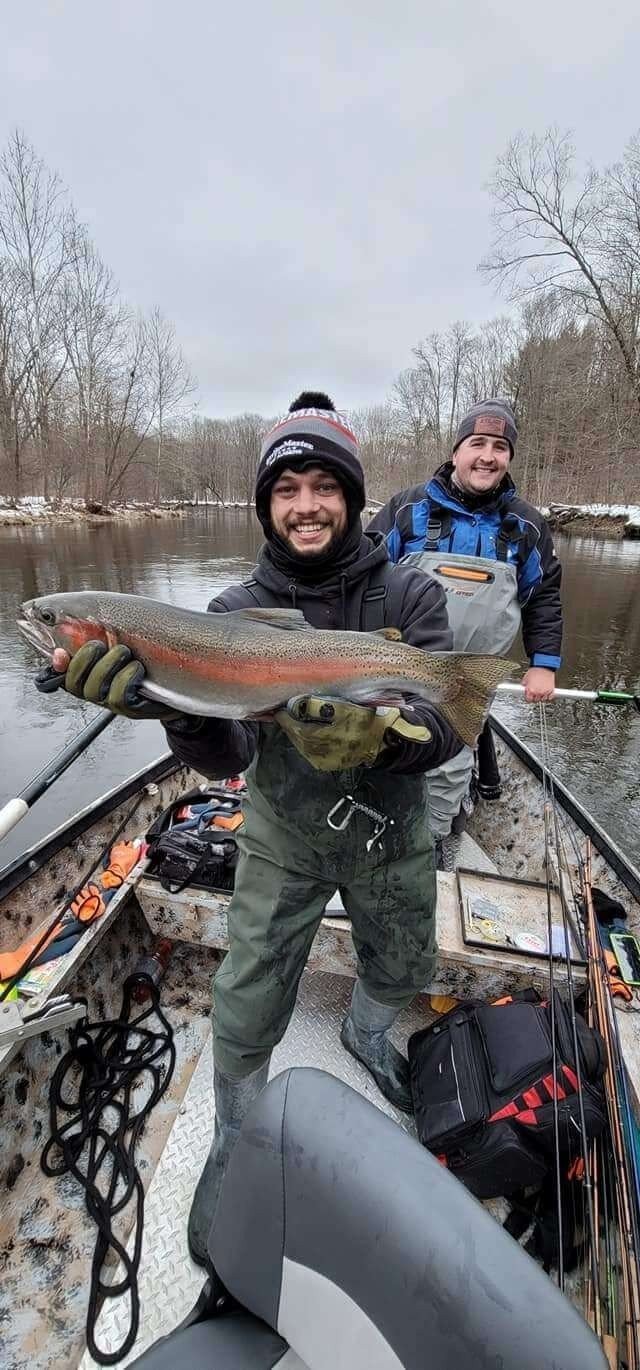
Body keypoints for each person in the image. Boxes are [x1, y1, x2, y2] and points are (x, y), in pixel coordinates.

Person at [39, 392, 462, 1266]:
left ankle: (368, 1032)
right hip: (281, 828)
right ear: (266, 507)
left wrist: (383, 740)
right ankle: (235, 1137)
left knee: (405, 958)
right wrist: (164, 704)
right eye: (286, 490)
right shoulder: (232, 607)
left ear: (348, 494)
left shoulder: (410, 594)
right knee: (248, 989)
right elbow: (222, 754)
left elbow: (452, 728)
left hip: (391, 827)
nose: (304, 504)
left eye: (322, 485)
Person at [367, 398, 563, 860]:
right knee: (384, 742)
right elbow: (363, 575)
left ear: (509, 457)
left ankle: (432, 840)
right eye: (477, 443)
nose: (487, 456)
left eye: (500, 446)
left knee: (453, 759)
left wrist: (544, 665)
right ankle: (376, 824)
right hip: (402, 668)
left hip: (470, 678)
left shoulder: (527, 526)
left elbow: (546, 599)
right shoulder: (406, 509)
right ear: (456, 451)